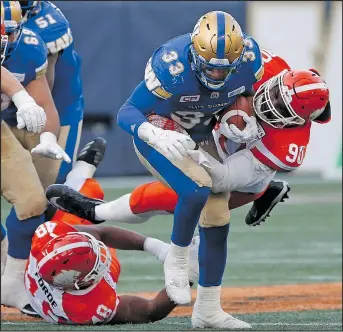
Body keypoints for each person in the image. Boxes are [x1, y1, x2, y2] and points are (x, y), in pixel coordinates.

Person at [116, 10, 262, 329]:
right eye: (210, 66)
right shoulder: (172, 64)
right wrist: (154, 133)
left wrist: (239, 117)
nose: (217, 75)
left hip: (199, 135)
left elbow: (245, 93)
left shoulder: (250, 58)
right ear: (196, 54)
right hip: (161, 133)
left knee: (218, 216)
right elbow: (127, 112)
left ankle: (208, 310)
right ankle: (177, 259)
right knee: (196, 189)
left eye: (225, 70)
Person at [1, 1, 69, 313]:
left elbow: (45, 103)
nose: (4, 39)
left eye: (8, 33)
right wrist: (18, 95)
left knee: (32, 201)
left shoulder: (27, 46)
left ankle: (12, 284)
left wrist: (46, 136)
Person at [19, 1, 84, 187]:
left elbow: (44, 92)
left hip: (54, 105)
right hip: (12, 103)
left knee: (51, 188)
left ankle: (84, 169)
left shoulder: (48, 24)